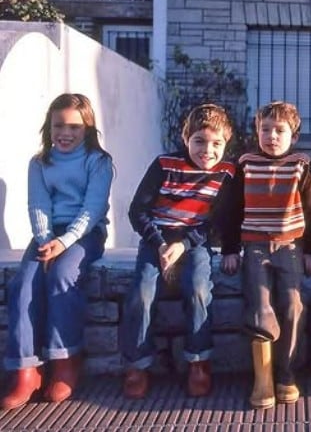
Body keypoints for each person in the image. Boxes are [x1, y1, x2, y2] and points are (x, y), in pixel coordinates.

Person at [1, 93, 114, 410]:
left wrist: (64, 244)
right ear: (48, 127)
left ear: (87, 129)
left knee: (63, 276)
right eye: (58, 126)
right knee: (23, 285)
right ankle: (26, 369)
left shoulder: (99, 162)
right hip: (48, 234)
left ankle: (66, 361)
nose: (65, 133)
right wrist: (45, 239)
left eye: (74, 127)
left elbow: (92, 210)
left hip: (84, 234)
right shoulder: (39, 163)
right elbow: (38, 204)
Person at [120, 104, 239, 399]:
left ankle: (199, 361)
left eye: (216, 144)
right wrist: (159, 243)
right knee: (143, 292)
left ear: (226, 143)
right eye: (199, 141)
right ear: (186, 138)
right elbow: (138, 211)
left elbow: (218, 220)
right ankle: (137, 363)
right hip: (157, 239)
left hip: (195, 241)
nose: (207, 150)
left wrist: (186, 244)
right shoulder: (164, 164)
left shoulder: (227, 172)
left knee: (198, 288)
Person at [222, 101, 311, 409]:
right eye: (265, 129)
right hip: (255, 246)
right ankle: (262, 378)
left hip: (291, 246)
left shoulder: (301, 164)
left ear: (294, 135)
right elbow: (232, 209)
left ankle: (285, 373)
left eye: (280, 130)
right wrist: (229, 249)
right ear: (256, 131)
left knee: (292, 304)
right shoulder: (246, 163)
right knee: (260, 304)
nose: (272, 136)